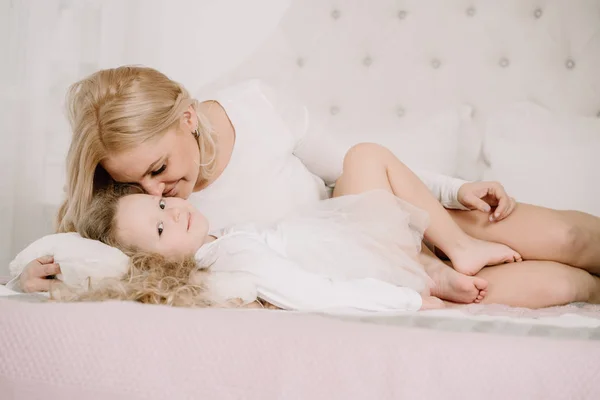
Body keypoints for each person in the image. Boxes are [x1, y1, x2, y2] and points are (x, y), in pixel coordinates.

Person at [19, 66, 600, 308]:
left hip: (391, 217)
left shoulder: (255, 107)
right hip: (371, 272)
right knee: (568, 285)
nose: (161, 190)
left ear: (187, 118)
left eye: (159, 166)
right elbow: (77, 246)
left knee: (574, 237)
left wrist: (454, 190)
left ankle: (459, 247)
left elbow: (351, 160)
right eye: (138, 182)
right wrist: (25, 276)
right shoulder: (148, 210)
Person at [70, 144, 503, 312]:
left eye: (161, 203)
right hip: (364, 265)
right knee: (366, 157)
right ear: (155, 264)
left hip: (355, 247)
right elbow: (315, 295)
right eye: (161, 230)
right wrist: (412, 302)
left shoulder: (220, 241)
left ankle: (438, 268)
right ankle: (450, 257)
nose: (174, 211)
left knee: (365, 162)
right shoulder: (232, 260)